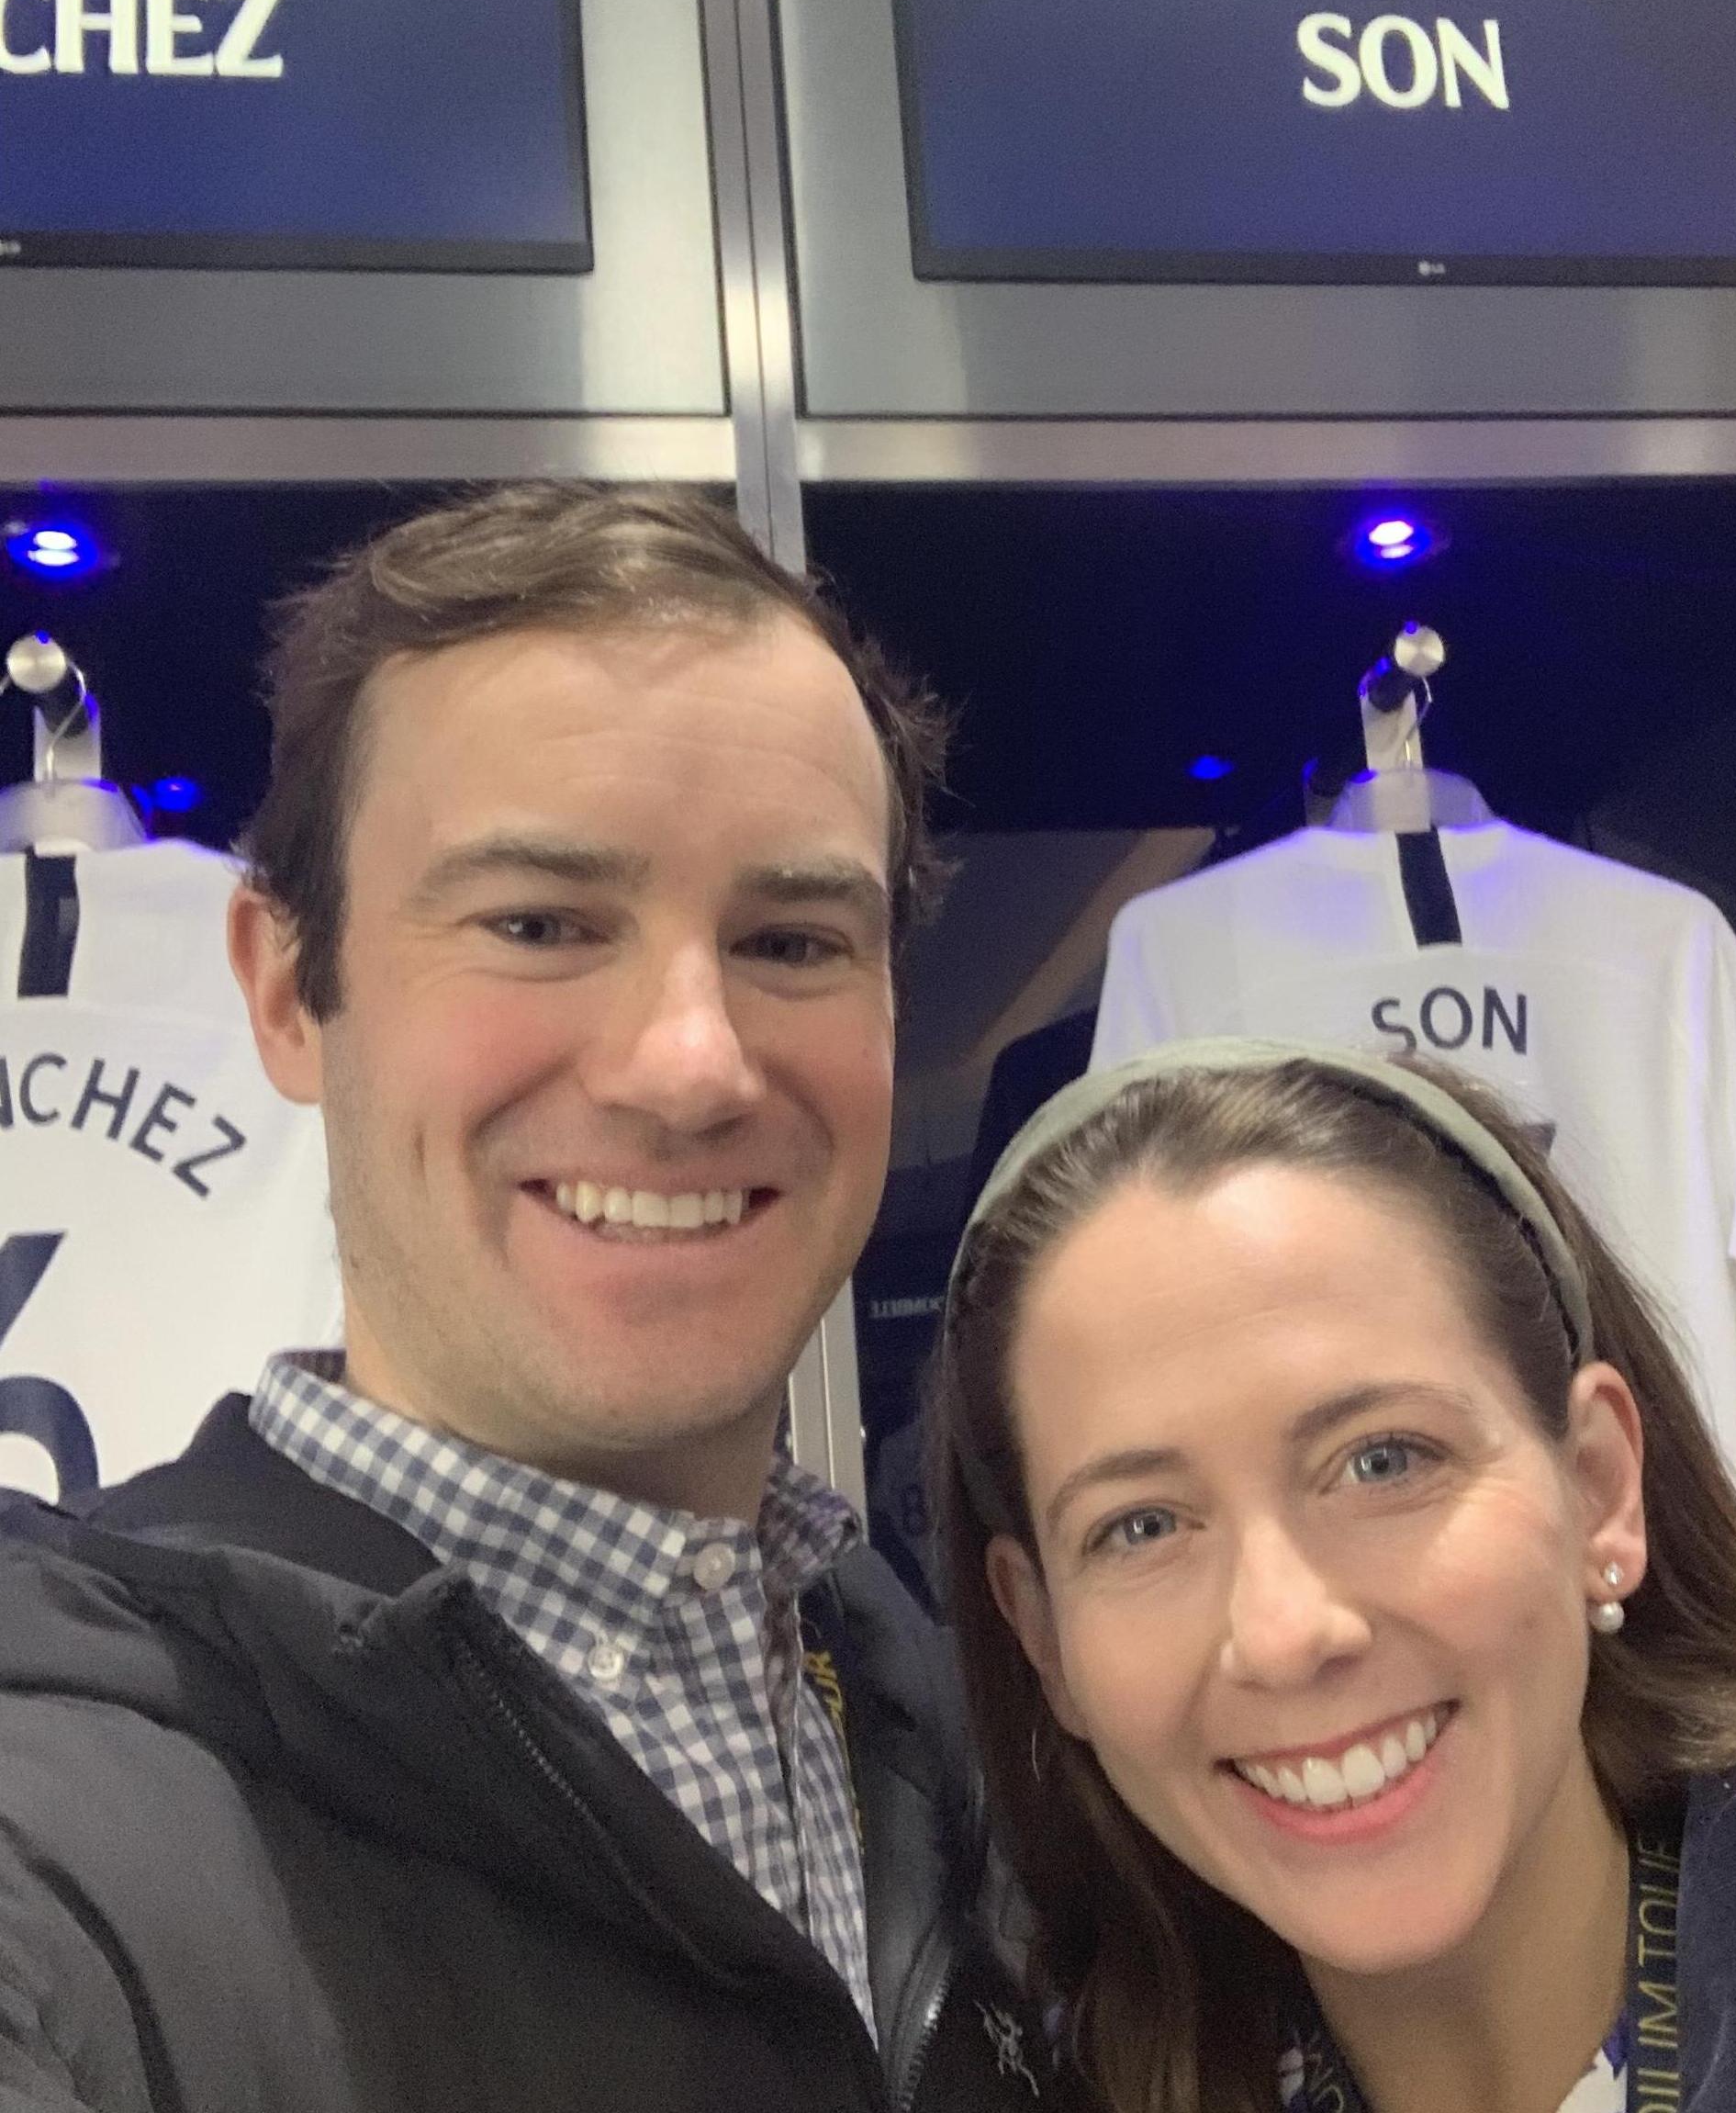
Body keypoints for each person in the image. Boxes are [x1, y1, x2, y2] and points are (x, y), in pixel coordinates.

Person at [0, 483, 1061, 2113]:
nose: (693, 1063)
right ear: (290, 987)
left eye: (790, 940)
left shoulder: (950, 1725)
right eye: (541, 923)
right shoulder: (65, 1831)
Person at [930, 1035, 1736, 2113]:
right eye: (1140, 1528)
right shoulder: (1040, 2081)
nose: (1285, 1629)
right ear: (1043, 1641)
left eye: (1382, 1460)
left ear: (1598, 1486)